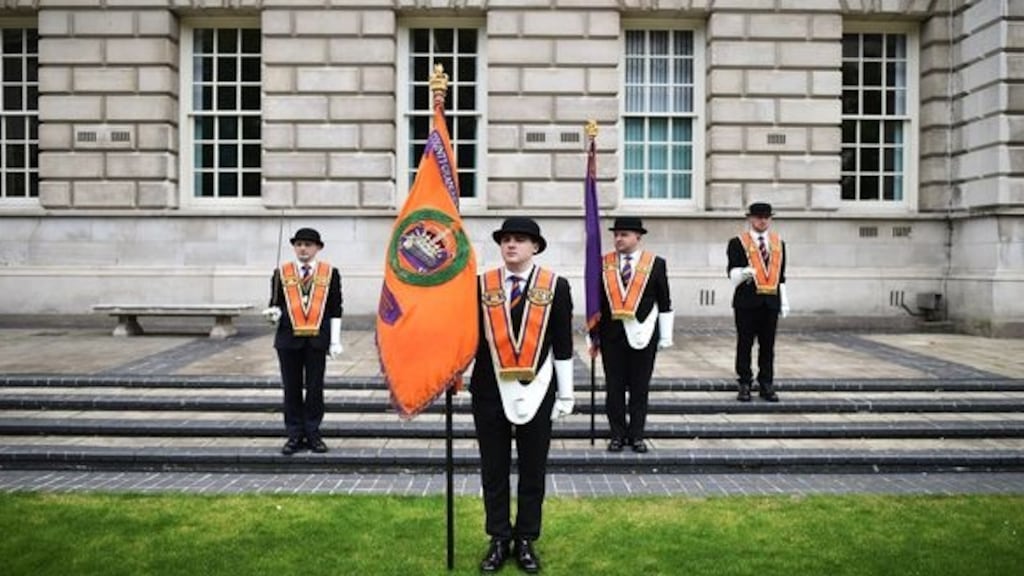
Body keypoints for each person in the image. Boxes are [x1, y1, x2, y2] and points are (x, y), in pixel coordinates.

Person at [470, 217, 574, 574]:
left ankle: (526, 538)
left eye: (520, 240)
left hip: (538, 390)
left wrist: (567, 393)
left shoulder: (555, 286)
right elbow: (467, 339)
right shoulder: (481, 285)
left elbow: (563, 343)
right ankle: (499, 538)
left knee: (533, 469)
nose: (511, 245)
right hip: (488, 391)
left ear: (535, 247)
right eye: (506, 240)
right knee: (493, 469)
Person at [262, 227, 343, 455]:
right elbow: (275, 304)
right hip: (289, 341)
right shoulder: (281, 273)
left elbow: (336, 308)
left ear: (318, 248)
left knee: (315, 389)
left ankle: (313, 433)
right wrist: (273, 314)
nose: (303, 249)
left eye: (308, 244)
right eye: (299, 244)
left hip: (317, 341)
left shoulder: (330, 273)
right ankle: (295, 435)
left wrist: (335, 340)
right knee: (291, 388)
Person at [596, 217, 673, 454]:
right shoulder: (602, 263)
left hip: (643, 334)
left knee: (640, 388)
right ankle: (617, 435)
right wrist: (593, 335)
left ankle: (637, 435)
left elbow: (664, 301)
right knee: (614, 389)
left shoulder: (655, 264)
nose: (619, 239)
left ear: (638, 237)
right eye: (616, 234)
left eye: (624, 234)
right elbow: (596, 302)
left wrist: (665, 336)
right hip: (612, 336)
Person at [726, 202, 789, 402]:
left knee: (768, 345)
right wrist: (744, 273)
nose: (763, 220)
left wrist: (784, 300)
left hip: (770, 302)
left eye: (766, 217)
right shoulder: (738, 242)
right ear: (750, 219)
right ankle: (744, 382)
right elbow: (731, 273)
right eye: (758, 217)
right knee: (744, 344)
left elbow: (781, 275)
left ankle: (766, 383)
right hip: (746, 302)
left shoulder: (778, 243)